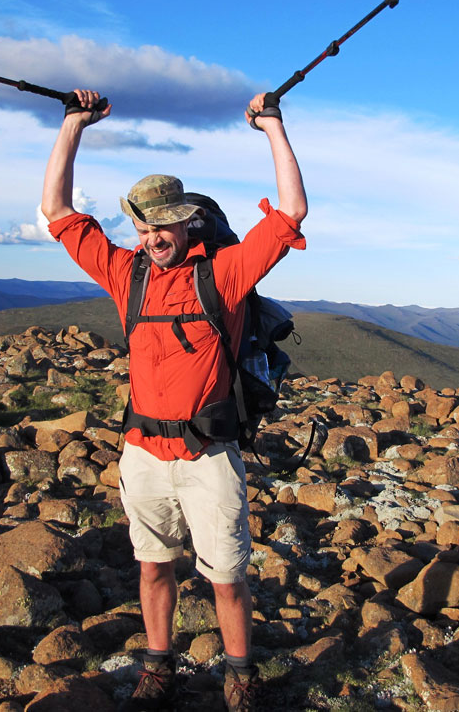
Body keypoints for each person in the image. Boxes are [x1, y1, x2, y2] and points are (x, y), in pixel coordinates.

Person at [41, 89, 307, 711]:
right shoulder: (124, 273)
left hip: (209, 456)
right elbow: (56, 209)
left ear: (188, 221)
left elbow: (291, 209)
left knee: (227, 577)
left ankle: (239, 679)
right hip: (141, 453)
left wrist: (272, 126)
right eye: (144, 224)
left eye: (165, 222)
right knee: (153, 566)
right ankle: (157, 670)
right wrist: (74, 124)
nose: (153, 234)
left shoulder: (225, 275)